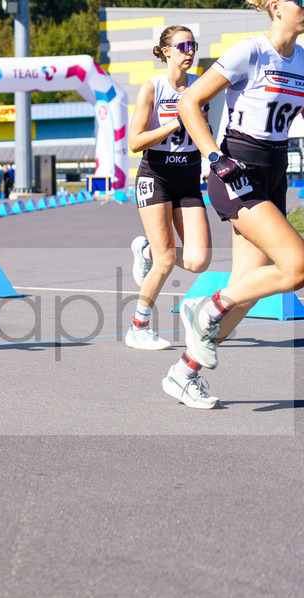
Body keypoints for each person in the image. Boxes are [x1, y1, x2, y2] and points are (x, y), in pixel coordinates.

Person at [168, 0, 304, 409]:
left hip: (274, 171)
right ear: (276, 8)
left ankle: (183, 374)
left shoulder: (301, 60)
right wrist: (214, 157)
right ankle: (207, 305)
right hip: (235, 169)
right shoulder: (251, 50)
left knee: (244, 295)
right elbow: (188, 103)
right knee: (297, 266)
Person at [127, 26, 212, 353]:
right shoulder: (153, 88)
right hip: (156, 175)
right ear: (166, 51)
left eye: (193, 45)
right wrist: (177, 121)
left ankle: (146, 252)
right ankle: (138, 327)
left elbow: (205, 129)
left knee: (198, 260)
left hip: (188, 177)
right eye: (182, 46)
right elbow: (135, 142)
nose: (189, 51)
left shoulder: (201, 85)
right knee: (166, 259)